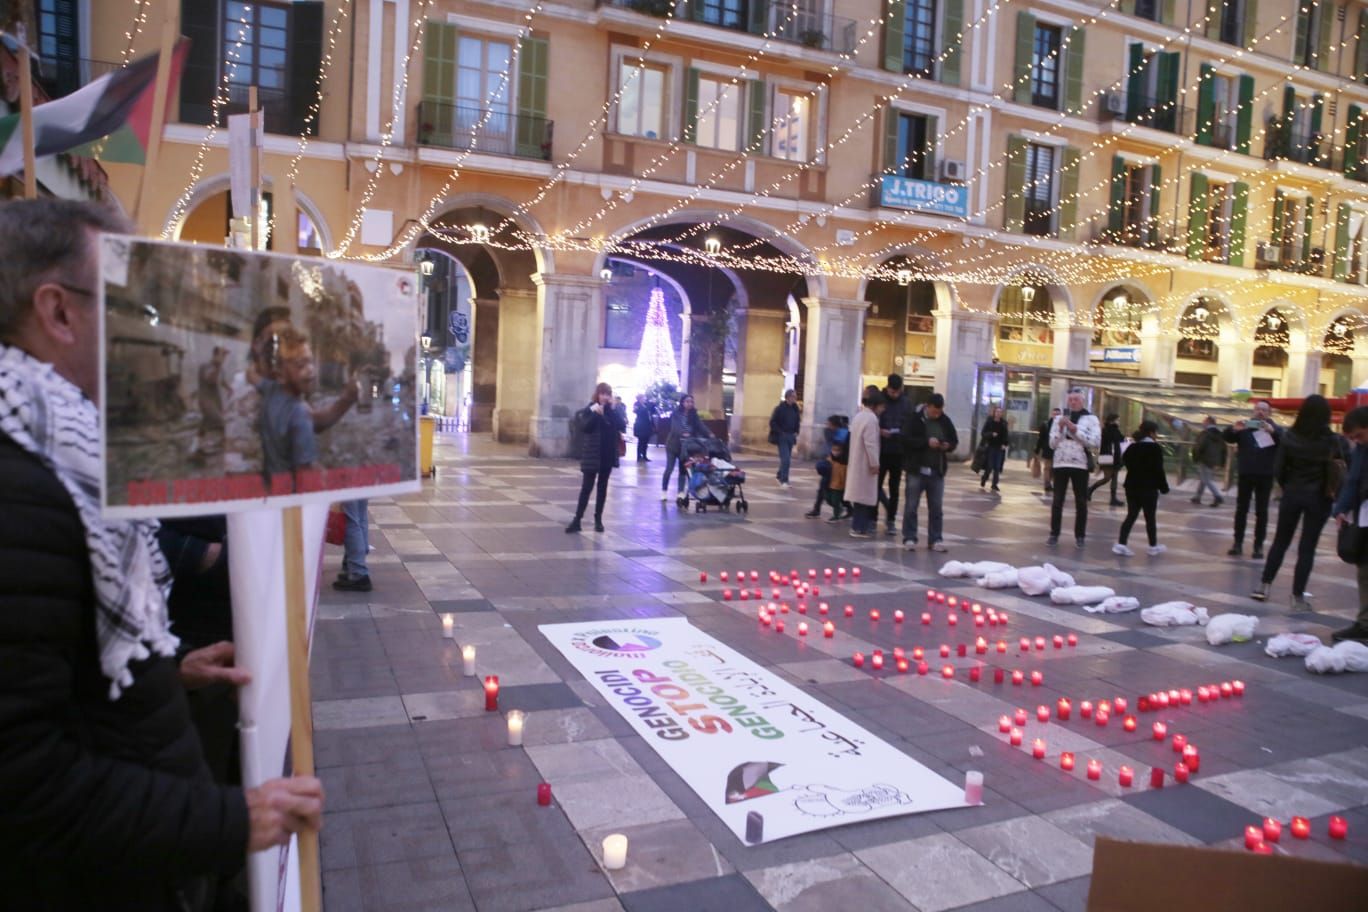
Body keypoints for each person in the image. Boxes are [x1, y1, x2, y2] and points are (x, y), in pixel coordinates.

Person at [0, 198, 323, 908]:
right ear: (57, 312)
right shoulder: (21, 487)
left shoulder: (67, 450)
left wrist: (168, 675)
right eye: (124, 296)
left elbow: (55, 673)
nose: (138, 322)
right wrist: (236, 817)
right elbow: (21, 779)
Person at [1252, 395, 1347, 609]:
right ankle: (1297, 596)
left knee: (1280, 541)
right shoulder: (1333, 440)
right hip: (1320, 498)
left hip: (1292, 494)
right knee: (1307, 547)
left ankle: (1264, 585)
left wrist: (1288, 486)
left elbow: (1279, 469)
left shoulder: (1289, 437)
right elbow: (1343, 467)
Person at [1224, 399, 1282, 558]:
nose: (1260, 412)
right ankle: (1237, 543)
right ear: (1253, 410)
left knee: (1261, 511)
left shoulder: (1274, 429)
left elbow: (1284, 441)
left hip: (1265, 475)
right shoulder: (1245, 427)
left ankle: (1258, 546)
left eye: (1264, 410)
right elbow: (1227, 437)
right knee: (1241, 509)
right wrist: (1233, 430)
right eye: (1258, 409)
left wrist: (1273, 432)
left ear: (1269, 413)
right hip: (1246, 473)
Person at [902, 392, 958, 551]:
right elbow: (905, 439)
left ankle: (935, 539)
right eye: (934, 411)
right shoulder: (915, 419)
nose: (937, 414)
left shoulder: (944, 421)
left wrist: (948, 445)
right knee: (911, 505)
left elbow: (954, 440)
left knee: (936, 507)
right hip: (916, 470)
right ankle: (909, 537)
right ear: (928, 406)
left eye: (939, 411)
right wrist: (926, 443)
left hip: (936, 471)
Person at [568, 382, 627, 533]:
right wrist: (596, 414)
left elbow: (621, 425)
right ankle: (577, 520)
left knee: (602, 487)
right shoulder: (590, 409)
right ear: (597, 394)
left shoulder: (612, 411)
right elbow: (585, 427)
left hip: (607, 454)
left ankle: (598, 520)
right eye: (603, 393)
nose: (605, 397)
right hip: (592, 454)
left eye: (608, 394)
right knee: (586, 488)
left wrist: (613, 410)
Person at [1331, 406, 1368, 643]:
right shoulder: (1361, 451)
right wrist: (1341, 509)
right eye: (1353, 438)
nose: (1357, 441)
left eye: (1359, 436)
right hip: (1365, 516)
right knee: (1365, 570)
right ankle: (1365, 623)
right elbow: (1352, 481)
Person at [1048, 389, 1102, 547]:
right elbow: (1052, 444)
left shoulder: (1091, 419)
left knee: (1081, 501)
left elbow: (1095, 442)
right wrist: (1059, 429)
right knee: (1057, 500)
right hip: (1060, 463)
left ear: (1082, 401)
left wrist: (1073, 428)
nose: (1072, 402)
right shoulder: (1058, 418)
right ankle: (1054, 533)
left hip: (1080, 464)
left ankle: (1080, 536)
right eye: (1070, 399)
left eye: (1076, 399)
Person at [1112, 420, 1170, 556]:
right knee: (1150, 517)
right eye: (1156, 432)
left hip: (1132, 486)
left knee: (1131, 515)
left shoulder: (1132, 447)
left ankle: (1121, 543)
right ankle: (1153, 545)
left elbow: (1125, 461)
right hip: (1149, 487)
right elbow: (1158, 470)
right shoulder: (1155, 448)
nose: (1156, 435)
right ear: (1151, 433)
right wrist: (1164, 487)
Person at [846, 386, 884, 538]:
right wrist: (875, 463)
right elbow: (871, 443)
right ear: (875, 405)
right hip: (865, 464)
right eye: (881, 406)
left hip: (856, 461)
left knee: (859, 497)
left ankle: (858, 526)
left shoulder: (859, 416)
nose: (882, 409)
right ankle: (859, 527)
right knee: (864, 497)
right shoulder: (871, 419)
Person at [877, 374, 911, 533]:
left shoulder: (906, 402)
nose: (894, 395)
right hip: (881, 449)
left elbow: (910, 424)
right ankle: (872, 517)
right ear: (888, 388)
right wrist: (880, 431)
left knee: (894, 488)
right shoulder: (879, 399)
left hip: (898, 450)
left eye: (897, 392)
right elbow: (872, 420)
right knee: (876, 486)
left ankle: (891, 519)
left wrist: (901, 432)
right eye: (892, 392)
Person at [662, 394, 710, 500]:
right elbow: (674, 427)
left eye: (691, 402)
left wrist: (709, 434)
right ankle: (664, 491)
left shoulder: (694, 415)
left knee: (683, 470)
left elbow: (701, 426)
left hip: (686, 447)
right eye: (687, 401)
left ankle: (680, 492)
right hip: (673, 446)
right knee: (669, 468)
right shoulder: (676, 414)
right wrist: (682, 433)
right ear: (682, 403)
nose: (690, 404)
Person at [806, 414, 849, 519]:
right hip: (830, 462)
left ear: (835, 425)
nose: (827, 426)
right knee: (824, 487)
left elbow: (837, 448)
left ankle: (840, 510)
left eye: (829, 424)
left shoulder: (842, 434)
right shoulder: (831, 432)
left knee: (832, 489)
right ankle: (817, 509)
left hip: (837, 465)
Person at [1087, 413, 1126, 506]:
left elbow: (1120, 439)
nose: (1118, 422)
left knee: (1114, 478)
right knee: (1107, 477)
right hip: (1109, 457)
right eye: (1117, 420)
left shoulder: (1111, 430)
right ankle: (1090, 489)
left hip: (1114, 457)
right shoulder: (1109, 430)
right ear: (1112, 420)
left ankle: (1113, 498)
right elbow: (1118, 439)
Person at [334, 499, 372, 592]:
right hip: (362, 484)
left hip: (347, 483)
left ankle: (358, 572)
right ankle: (357, 564)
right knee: (360, 515)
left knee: (350, 520)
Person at [1191, 415, 1227, 507]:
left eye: (1204, 421)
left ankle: (1218, 496)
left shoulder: (1205, 433)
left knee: (1206, 479)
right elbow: (1224, 449)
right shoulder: (1220, 434)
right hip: (1215, 460)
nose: (1202, 423)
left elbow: (1199, 446)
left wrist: (1196, 456)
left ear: (1208, 422)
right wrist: (1222, 462)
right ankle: (1197, 497)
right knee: (1204, 478)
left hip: (1204, 459)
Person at [769, 389, 801, 488]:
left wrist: (796, 432)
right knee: (786, 459)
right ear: (787, 397)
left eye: (795, 397)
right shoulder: (779, 409)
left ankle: (779, 475)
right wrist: (780, 432)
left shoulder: (795, 409)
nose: (794, 399)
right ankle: (784, 480)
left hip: (791, 436)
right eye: (793, 397)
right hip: (782, 436)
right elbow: (772, 422)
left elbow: (797, 421)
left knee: (785, 459)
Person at [978, 404, 1008, 493]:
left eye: (1000, 412)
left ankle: (994, 484)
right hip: (990, 446)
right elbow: (983, 433)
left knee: (997, 467)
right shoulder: (989, 422)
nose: (998, 414)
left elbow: (1006, 435)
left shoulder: (1003, 423)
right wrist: (991, 434)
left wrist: (1005, 444)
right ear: (994, 413)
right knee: (989, 466)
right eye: (997, 412)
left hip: (999, 448)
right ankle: (984, 478)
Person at [1035, 407, 1060, 494]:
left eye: (1058, 414)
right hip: (1048, 450)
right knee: (1047, 468)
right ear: (1051, 415)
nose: (1056, 416)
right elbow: (1040, 439)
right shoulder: (1046, 425)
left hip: (1058, 451)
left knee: (1055, 469)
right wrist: (1037, 450)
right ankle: (1047, 484)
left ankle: (1051, 483)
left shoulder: (1062, 426)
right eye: (1054, 414)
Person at [825, 439, 849, 522]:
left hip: (838, 485)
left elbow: (844, 475)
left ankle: (836, 515)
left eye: (837, 450)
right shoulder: (830, 459)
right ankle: (843, 509)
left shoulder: (844, 461)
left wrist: (843, 484)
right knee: (828, 499)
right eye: (833, 449)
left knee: (835, 501)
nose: (835, 452)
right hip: (829, 483)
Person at [632, 393, 654, 461]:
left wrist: (653, 404)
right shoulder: (636, 404)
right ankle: (638, 456)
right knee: (641, 441)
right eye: (643, 398)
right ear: (639, 398)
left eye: (645, 398)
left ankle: (644, 455)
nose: (645, 399)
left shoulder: (646, 404)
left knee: (646, 442)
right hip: (640, 426)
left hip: (647, 426)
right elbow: (637, 412)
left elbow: (651, 411)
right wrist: (646, 408)